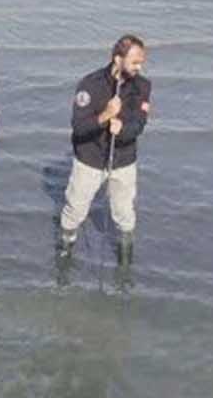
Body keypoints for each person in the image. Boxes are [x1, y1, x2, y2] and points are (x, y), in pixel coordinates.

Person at [57, 35, 151, 266]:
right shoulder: (90, 85)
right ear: (117, 59)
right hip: (90, 159)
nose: (139, 68)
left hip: (124, 161)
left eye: (141, 63)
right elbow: (79, 127)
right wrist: (105, 116)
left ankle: (125, 263)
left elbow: (139, 124)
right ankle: (65, 254)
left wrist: (123, 129)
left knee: (125, 215)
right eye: (134, 63)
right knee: (75, 211)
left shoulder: (143, 86)